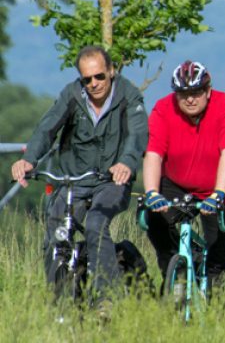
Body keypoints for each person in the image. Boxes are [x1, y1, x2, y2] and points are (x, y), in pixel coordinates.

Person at [11, 45, 148, 309]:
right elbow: (47, 127)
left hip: (112, 181)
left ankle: (106, 299)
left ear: (111, 71)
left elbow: (137, 135)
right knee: (56, 230)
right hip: (74, 180)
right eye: (87, 79)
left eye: (99, 76)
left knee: (96, 222)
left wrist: (126, 163)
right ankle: (58, 299)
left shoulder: (129, 96)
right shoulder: (72, 94)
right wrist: (29, 160)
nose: (94, 84)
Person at [142, 60, 225, 286]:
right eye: (183, 94)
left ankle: (217, 303)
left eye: (196, 92)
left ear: (208, 90)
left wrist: (218, 194)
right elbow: (153, 154)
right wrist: (152, 192)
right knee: (155, 218)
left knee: (217, 266)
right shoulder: (163, 109)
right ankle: (176, 273)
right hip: (178, 184)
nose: (190, 99)